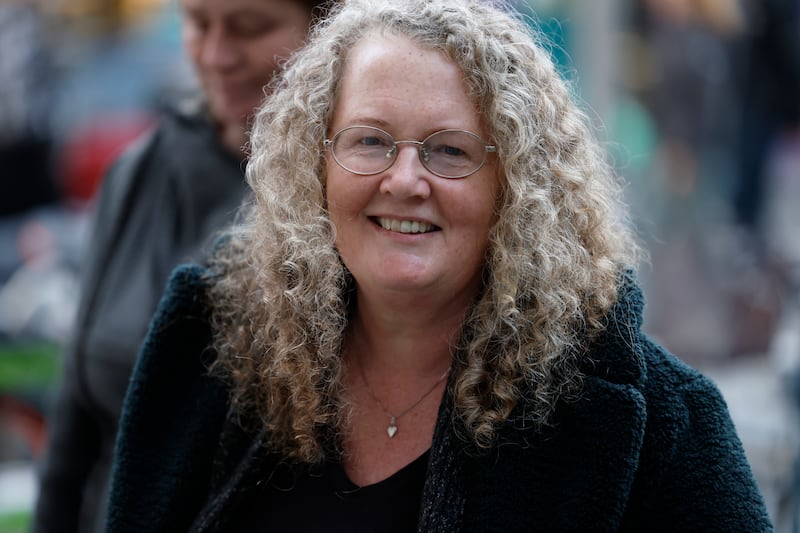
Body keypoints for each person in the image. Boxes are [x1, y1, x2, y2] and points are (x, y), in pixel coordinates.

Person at [107, 0, 773, 531]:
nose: (404, 180)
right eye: (370, 141)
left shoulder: (662, 424)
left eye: (449, 150)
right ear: (315, 164)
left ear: (516, 188)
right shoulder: (210, 347)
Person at [31, 0, 325, 531]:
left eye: (250, 27)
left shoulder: (343, 196)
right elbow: (74, 423)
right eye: (197, 23)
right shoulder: (139, 172)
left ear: (328, 26)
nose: (215, 55)